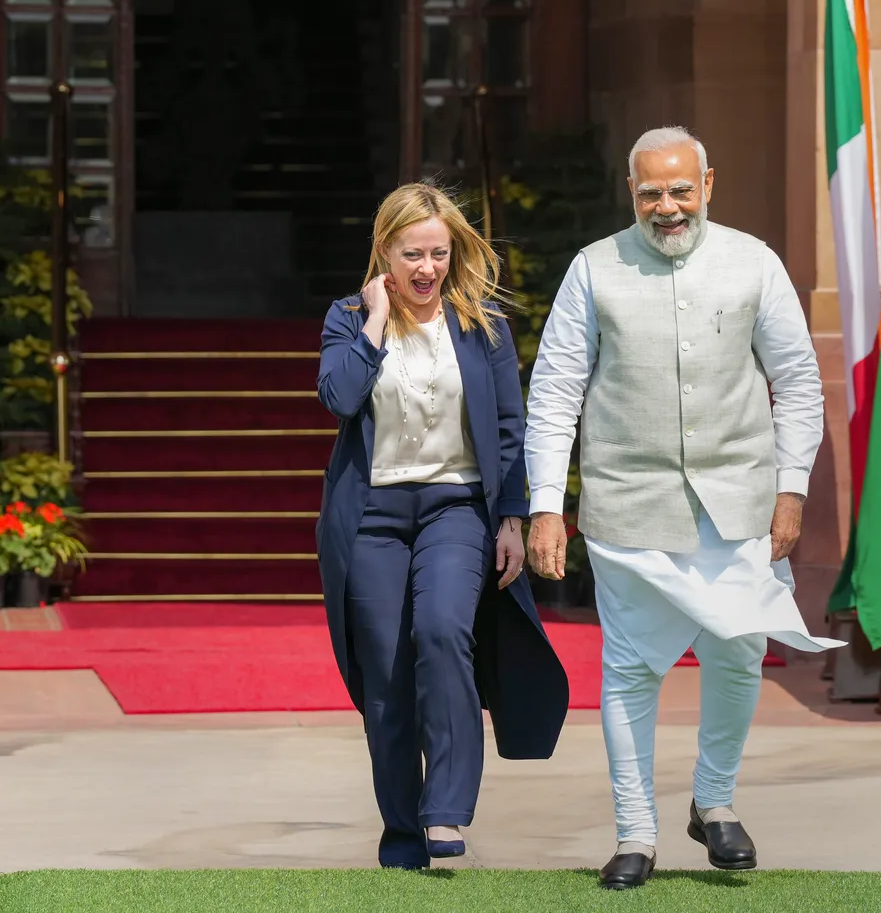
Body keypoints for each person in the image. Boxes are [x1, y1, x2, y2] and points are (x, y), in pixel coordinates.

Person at [525, 127, 844, 889]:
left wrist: (791, 488)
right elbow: (555, 391)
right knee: (631, 669)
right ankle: (636, 833)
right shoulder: (593, 269)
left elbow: (798, 383)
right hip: (629, 505)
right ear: (630, 194)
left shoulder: (754, 262)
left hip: (740, 502)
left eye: (679, 190)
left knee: (738, 651)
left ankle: (716, 802)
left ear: (709, 184)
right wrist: (544, 506)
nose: (666, 207)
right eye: (649, 193)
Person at [316, 182, 569, 870]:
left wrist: (512, 516)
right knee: (387, 675)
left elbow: (510, 430)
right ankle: (402, 835)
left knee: (443, 631)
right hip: (372, 517)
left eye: (438, 253)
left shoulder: (481, 325)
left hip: (456, 507)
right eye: (411, 254)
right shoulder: (346, 319)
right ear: (385, 254)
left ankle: (446, 811)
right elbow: (339, 395)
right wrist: (374, 319)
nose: (426, 269)